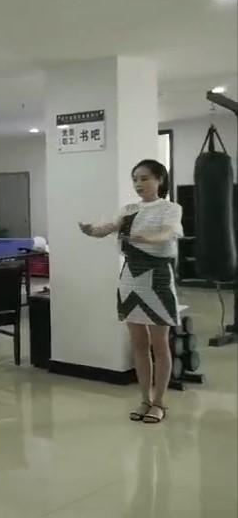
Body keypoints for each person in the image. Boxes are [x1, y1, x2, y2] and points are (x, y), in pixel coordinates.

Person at [79, 159, 181, 424]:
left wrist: (146, 239)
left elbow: (168, 234)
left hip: (158, 277)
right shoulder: (128, 210)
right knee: (138, 344)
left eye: (145, 178)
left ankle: (159, 402)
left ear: (159, 180)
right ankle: (144, 399)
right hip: (130, 278)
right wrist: (91, 230)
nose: (139, 184)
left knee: (160, 344)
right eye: (135, 179)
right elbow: (107, 229)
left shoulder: (170, 208)